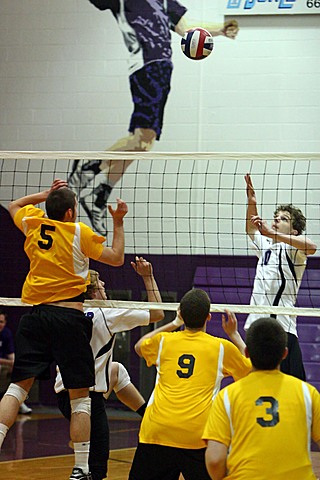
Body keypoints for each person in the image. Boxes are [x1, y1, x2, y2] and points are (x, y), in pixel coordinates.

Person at [68, 0, 240, 235]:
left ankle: (99, 197)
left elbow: (188, 29)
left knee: (142, 143)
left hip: (163, 69)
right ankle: (88, 169)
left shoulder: (164, 2)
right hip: (146, 66)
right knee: (141, 140)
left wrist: (221, 29)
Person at [0, 179, 128, 480]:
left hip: (34, 317)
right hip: (68, 318)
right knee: (80, 397)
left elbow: (13, 205)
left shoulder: (33, 222)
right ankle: (81, 468)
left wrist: (44, 195)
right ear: (71, 213)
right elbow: (117, 258)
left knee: (17, 389)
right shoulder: (78, 232)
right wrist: (118, 222)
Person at [55, 257, 164, 480]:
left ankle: (147, 414)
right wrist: (148, 277)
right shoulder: (107, 314)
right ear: (92, 291)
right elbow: (158, 313)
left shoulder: (66, 311)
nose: (104, 288)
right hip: (89, 399)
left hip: (64, 392)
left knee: (116, 370)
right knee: (96, 467)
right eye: (101, 285)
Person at [128, 288, 252, 480]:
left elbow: (139, 345)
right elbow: (253, 371)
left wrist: (174, 323)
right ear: (208, 317)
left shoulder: (163, 342)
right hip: (197, 436)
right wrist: (234, 334)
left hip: (157, 432)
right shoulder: (221, 347)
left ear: (181, 314)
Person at [203, 317, 320, 480]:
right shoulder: (308, 393)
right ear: (285, 354)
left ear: (246, 353)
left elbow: (215, 460)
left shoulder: (227, 397)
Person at [244, 173, 317, 380]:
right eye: (276, 217)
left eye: (284, 219)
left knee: (291, 388)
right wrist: (251, 203)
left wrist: (272, 234)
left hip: (281, 330)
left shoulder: (294, 251)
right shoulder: (266, 246)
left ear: (294, 231)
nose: (277, 219)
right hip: (255, 328)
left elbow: (312, 246)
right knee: (256, 387)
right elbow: (251, 230)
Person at [0, 311, 32, 415]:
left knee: (18, 370)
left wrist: (14, 365)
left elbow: (11, 357)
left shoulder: (6, 333)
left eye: (1, 322)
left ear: (5, 322)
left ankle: (18, 401)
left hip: (3, 365)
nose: (0, 324)